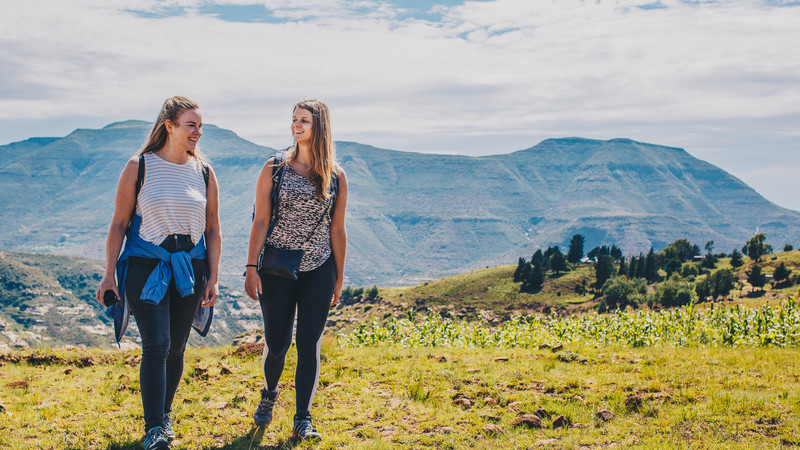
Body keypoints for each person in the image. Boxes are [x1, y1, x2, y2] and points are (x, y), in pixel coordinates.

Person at [96, 96, 221, 450]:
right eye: (191, 125)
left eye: (200, 125)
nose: (197, 132)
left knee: (177, 347)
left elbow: (213, 230)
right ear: (169, 125)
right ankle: (154, 428)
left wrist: (212, 277)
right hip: (145, 267)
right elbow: (119, 224)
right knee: (157, 344)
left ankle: (164, 417)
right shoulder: (140, 166)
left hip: (190, 269)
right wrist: (109, 274)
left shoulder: (206, 172)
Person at [244, 99, 348, 441]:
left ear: (319, 126)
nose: (296, 125)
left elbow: (337, 229)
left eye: (304, 120)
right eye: (294, 120)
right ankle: (269, 392)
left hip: (318, 268)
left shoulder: (335, 175)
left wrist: (339, 277)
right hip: (276, 267)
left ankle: (303, 417)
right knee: (277, 343)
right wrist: (250, 267)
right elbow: (260, 220)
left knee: (309, 344)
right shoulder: (274, 167)